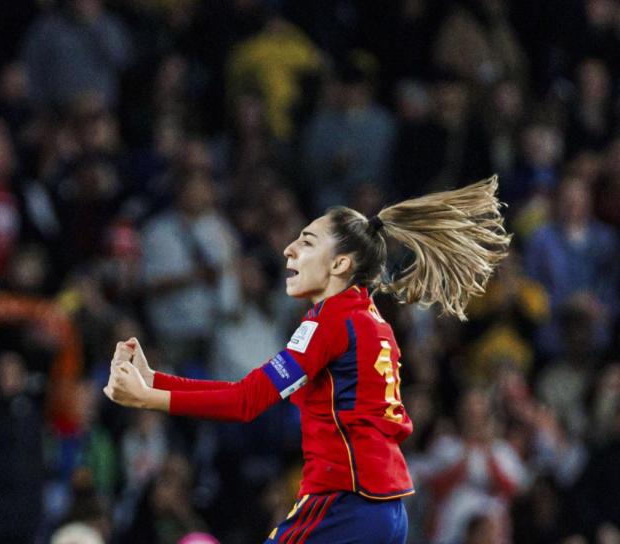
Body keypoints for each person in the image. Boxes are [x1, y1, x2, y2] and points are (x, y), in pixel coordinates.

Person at [104, 177, 511, 542]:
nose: (289, 249)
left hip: (344, 504)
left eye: (307, 242)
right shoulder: (371, 320)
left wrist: (149, 397)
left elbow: (248, 400)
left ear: (340, 264)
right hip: (386, 510)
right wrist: (155, 380)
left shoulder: (330, 321)